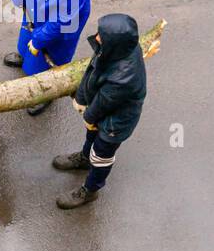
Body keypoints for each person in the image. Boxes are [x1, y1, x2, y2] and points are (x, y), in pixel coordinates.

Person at [51, 13, 147, 209]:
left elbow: (105, 102)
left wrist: (88, 116)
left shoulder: (124, 77)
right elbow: (92, 72)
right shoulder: (114, 49)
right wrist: (82, 98)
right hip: (102, 108)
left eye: (102, 35)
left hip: (117, 122)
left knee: (102, 152)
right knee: (92, 133)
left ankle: (90, 190)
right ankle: (85, 158)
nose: (96, 38)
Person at [4, 0, 92, 116]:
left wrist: (38, 40)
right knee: (27, 33)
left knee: (50, 52)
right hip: (36, 4)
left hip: (63, 21)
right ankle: (25, 55)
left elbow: (61, 21)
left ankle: (46, 92)